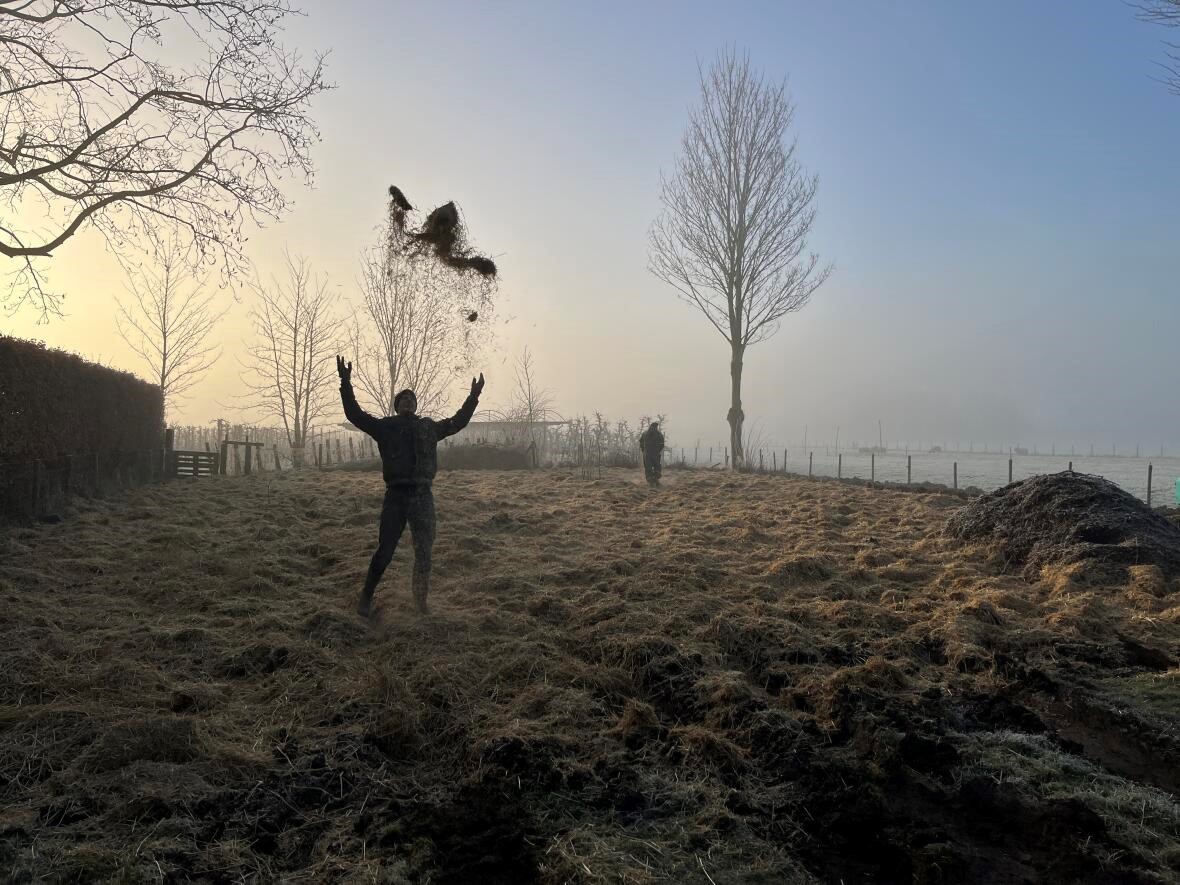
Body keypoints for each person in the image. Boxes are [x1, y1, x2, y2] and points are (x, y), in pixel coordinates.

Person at [336, 355, 485, 617]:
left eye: (411, 399)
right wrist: (345, 382)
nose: (408, 401)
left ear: (416, 405)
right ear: (396, 406)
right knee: (385, 551)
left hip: (423, 497)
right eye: (403, 399)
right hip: (396, 496)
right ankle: (366, 599)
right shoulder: (385, 427)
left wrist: (474, 396)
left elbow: (458, 422)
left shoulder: (428, 427)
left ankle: (420, 603)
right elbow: (355, 415)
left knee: (424, 552)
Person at [638, 421, 665, 486]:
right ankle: (656, 480)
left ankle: (651, 482)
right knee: (657, 467)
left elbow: (641, 443)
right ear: (656, 427)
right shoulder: (659, 434)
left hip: (647, 454)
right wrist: (658, 451)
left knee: (648, 467)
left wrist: (643, 450)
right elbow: (662, 445)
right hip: (655, 454)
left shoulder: (644, 433)